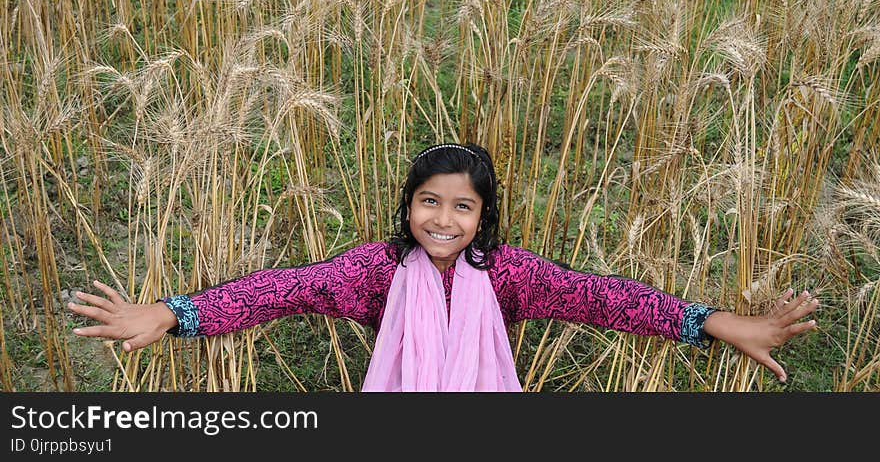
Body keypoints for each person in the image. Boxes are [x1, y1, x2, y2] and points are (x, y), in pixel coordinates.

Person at [68, 142, 820, 391]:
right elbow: (278, 291)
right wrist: (169, 313)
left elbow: (606, 299)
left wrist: (720, 323)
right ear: (406, 207)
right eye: (428, 201)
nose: (442, 220)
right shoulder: (372, 271)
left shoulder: (511, 273)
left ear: (483, 218)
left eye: (462, 207)